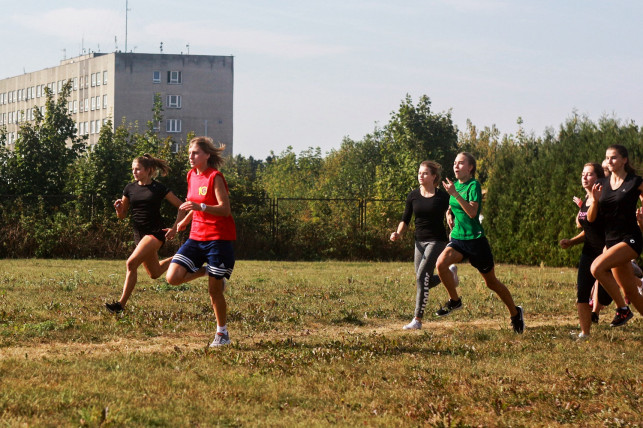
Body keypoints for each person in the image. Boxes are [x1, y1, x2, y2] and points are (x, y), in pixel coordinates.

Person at [434, 152, 524, 333]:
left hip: (476, 242)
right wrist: (449, 215)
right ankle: (455, 301)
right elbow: (454, 207)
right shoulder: (454, 186)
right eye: (454, 163)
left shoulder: (474, 185)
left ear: (470, 168)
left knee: (491, 283)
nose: (456, 166)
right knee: (441, 264)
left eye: (461, 163)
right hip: (458, 239)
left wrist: (454, 194)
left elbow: (472, 213)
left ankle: (515, 313)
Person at [166, 136, 236, 347]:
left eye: (195, 153)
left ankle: (222, 334)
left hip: (218, 239)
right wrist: (186, 220)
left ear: (207, 155)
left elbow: (224, 210)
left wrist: (200, 208)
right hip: (196, 237)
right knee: (173, 277)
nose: (191, 156)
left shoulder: (215, 177)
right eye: (189, 152)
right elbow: (192, 204)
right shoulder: (191, 176)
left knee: (214, 291)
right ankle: (208, 271)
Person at [106, 154, 185, 313]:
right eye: (133, 169)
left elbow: (181, 206)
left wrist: (175, 227)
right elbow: (122, 215)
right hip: (139, 234)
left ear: (148, 170)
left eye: (138, 169)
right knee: (154, 273)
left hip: (155, 233)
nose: (134, 172)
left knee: (131, 263)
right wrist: (118, 209)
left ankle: (120, 305)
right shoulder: (129, 188)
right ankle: (183, 257)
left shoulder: (158, 188)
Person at [390, 161, 458, 330]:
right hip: (419, 242)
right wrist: (398, 233)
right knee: (423, 281)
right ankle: (449, 276)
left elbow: (453, 210)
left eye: (425, 173)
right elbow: (405, 219)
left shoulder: (442, 196)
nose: (420, 175)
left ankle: (417, 320)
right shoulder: (413, 195)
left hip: (437, 241)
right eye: (419, 173)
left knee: (422, 277)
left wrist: (452, 221)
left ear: (434, 176)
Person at [588, 144, 643, 326]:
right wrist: (594, 201)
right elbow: (592, 218)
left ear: (624, 160)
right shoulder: (601, 184)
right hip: (610, 241)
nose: (609, 161)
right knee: (631, 293)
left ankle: (622, 309)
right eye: (607, 157)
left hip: (630, 240)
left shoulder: (634, 181)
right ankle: (626, 306)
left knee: (596, 268)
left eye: (614, 157)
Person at [559, 163, 613, 339]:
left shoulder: (603, 200)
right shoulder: (587, 200)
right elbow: (587, 229)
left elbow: (592, 219)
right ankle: (585, 333)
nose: (584, 177)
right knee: (582, 293)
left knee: (605, 299)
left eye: (589, 175)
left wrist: (595, 200)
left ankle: (633, 281)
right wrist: (572, 241)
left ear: (598, 178)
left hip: (605, 254)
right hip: (588, 253)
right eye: (583, 174)